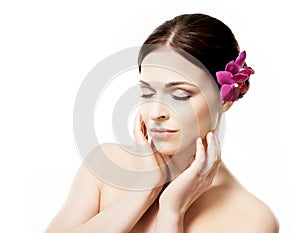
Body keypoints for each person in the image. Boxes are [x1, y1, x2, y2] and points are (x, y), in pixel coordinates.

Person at [45, 13, 279, 233]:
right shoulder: (104, 167)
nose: (155, 112)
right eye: (147, 93)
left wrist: (171, 212)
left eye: (179, 95)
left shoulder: (252, 219)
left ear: (226, 99)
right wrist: (146, 190)